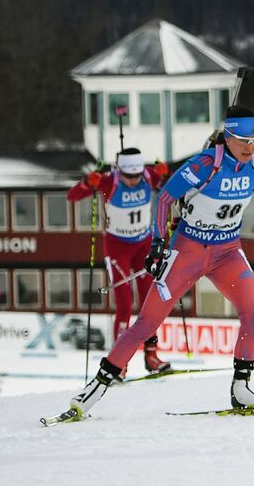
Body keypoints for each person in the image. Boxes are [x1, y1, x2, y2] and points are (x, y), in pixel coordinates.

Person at [62, 105, 254, 419]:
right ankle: (95, 388)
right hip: (189, 251)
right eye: (244, 141)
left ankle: (241, 387)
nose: (251, 148)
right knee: (147, 323)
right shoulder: (204, 165)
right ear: (229, 137)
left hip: (227, 252)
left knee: (253, 310)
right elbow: (165, 198)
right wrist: (158, 243)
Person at [67, 148, 172, 373]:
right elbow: (72, 196)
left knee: (150, 303)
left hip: (143, 245)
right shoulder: (108, 182)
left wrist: (166, 174)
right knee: (124, 305)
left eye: (137, 176)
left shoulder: (149, 176)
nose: (133, 181)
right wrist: (87, 183)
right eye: (128, 176)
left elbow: (173, 188)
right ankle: (119, 361)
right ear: (119, 170)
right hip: (118, 249)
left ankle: (151, 355)